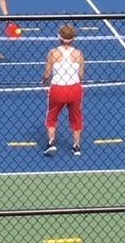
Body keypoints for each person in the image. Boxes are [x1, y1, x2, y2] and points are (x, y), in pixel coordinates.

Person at [42, 25, 85, 157]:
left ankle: (51, 142)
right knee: (76, 117)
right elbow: (81, 75)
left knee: (52, 116)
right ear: (73, 38)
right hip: (74, 88)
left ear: (59, 37)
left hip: (58, 88)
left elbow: (47, 74)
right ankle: (76, 146)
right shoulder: (78, 54)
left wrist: (44, 83)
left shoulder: (53, 53)